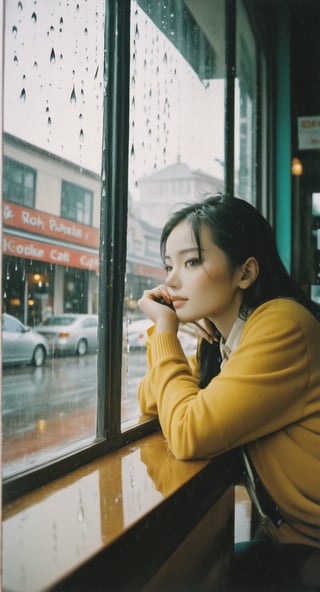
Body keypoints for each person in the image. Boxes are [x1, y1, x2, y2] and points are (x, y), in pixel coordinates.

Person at [137, 194, 320, 591]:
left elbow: (187, 432)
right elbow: (152, 400)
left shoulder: (282, 325)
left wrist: (165, 331)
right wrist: (174, 337)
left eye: (191, 262)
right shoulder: (230, 340)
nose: (170, 281)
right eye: (169, 266)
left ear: (246, 272)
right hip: (289, 538)